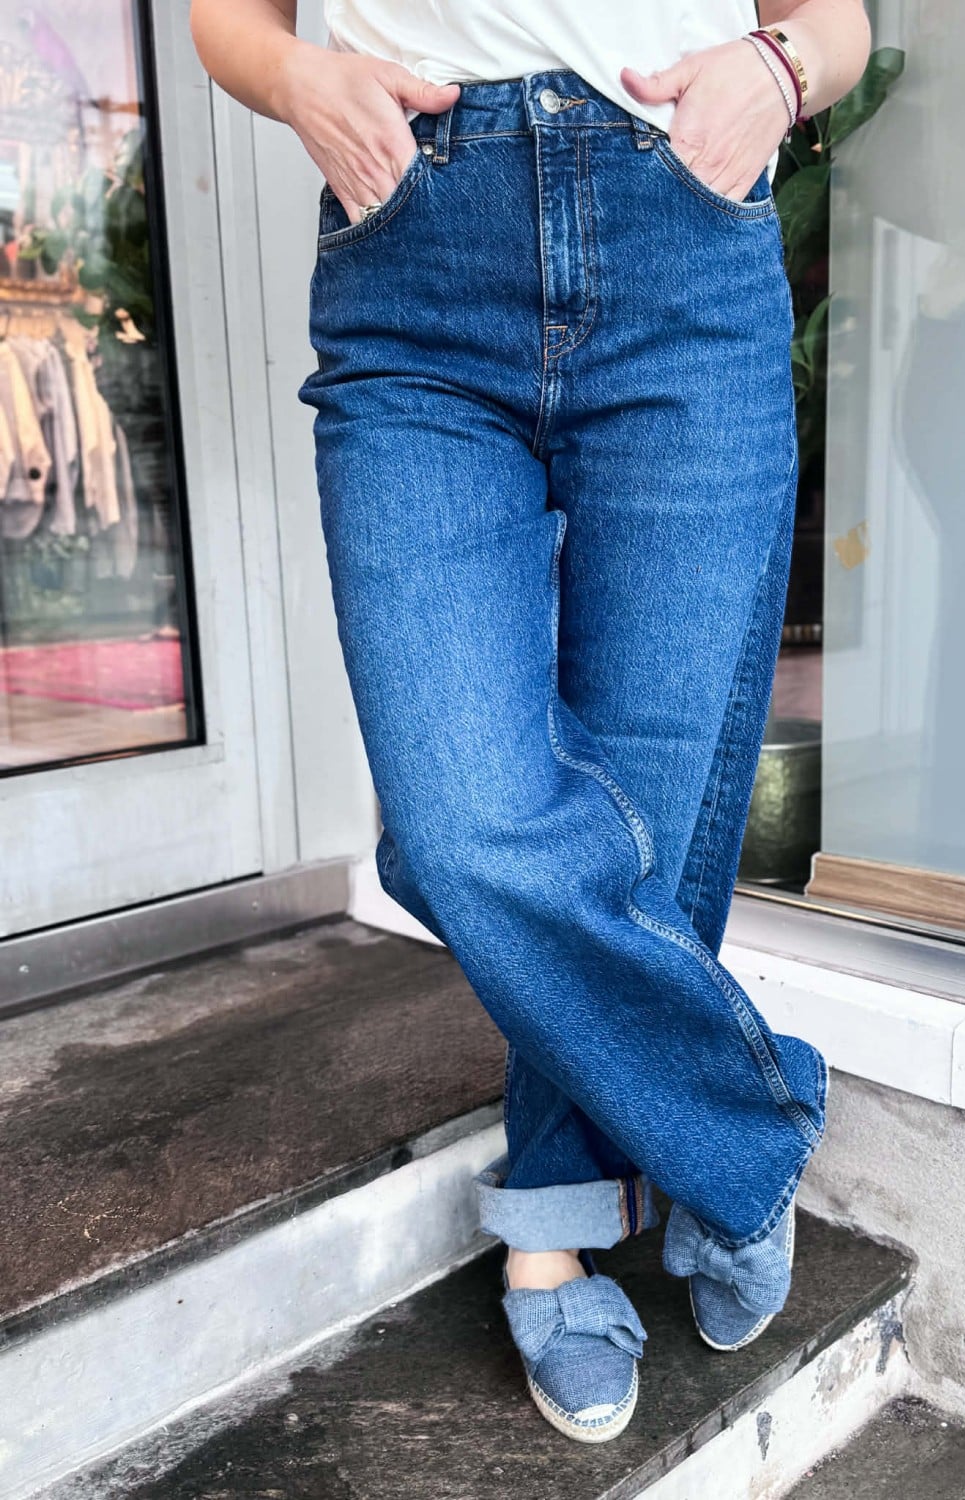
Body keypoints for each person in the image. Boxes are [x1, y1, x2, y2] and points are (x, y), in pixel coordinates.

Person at [190, 0, 872, 1444]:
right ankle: (742, 1141)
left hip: (682, 240)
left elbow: (836, 23)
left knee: (655, 809)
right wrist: (299, 77)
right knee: (462, 824)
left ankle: (554, 1226)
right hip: (416, 265)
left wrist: (777, 74)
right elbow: (223, 19)